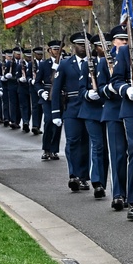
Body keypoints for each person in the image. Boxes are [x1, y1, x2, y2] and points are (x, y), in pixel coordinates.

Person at [50, 33, 92, 191]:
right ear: (74, 46)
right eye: (80, 44)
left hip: (89, 107)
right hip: (72, 108)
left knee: (86, 144)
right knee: (73, 142)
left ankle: (83, 176)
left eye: (85, 44)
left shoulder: (93, 63)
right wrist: (55, 113)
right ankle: (73, 175)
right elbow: (56, 90)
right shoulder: (66, 64)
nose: (83, 47)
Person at [98, 27, 129, 211]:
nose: (124, 43)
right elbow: (100, 88)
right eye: (120, 40)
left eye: (126, 40)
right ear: (113, 42)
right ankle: (118, 193)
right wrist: (108, 89)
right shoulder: (104, 62)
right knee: (117, 154)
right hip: (114, 111)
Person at [78, 34, 108, 200]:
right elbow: (81, 89)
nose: (104, 48)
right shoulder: (88, 64)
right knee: (97, 146)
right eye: (101, 46)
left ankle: (102, 181)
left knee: (106, 148)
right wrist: (89, 94)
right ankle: (97, 182)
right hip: (92, 111)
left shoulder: (113, 62)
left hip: (108, 111)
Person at [34, 40, 63, 160]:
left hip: (60, 96)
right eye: (54, 49)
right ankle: (46, 149)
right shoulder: (44, 64)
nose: (56, 51)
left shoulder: (65, 63)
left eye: (58, 49)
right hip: (47, 97)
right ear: (49, 50)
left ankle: (54, 150)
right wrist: (41, 92)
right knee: (49, 121)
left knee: (58, 123)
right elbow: (37, 83)